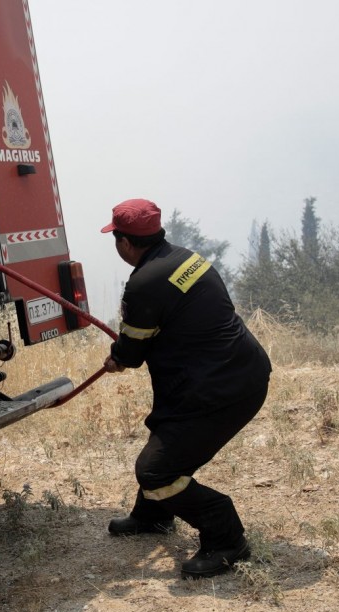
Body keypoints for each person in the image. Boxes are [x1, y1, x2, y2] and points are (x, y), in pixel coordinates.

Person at [101, 198, 272, 578]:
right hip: (238, 371)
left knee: (155, 471)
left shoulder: (143, 284)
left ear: (125, 242)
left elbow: (131, 353)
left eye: (116, 239)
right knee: (167, 436)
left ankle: (226, 538)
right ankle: (153, 515)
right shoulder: (186, 258)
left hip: (222, 389)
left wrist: (118, 358)